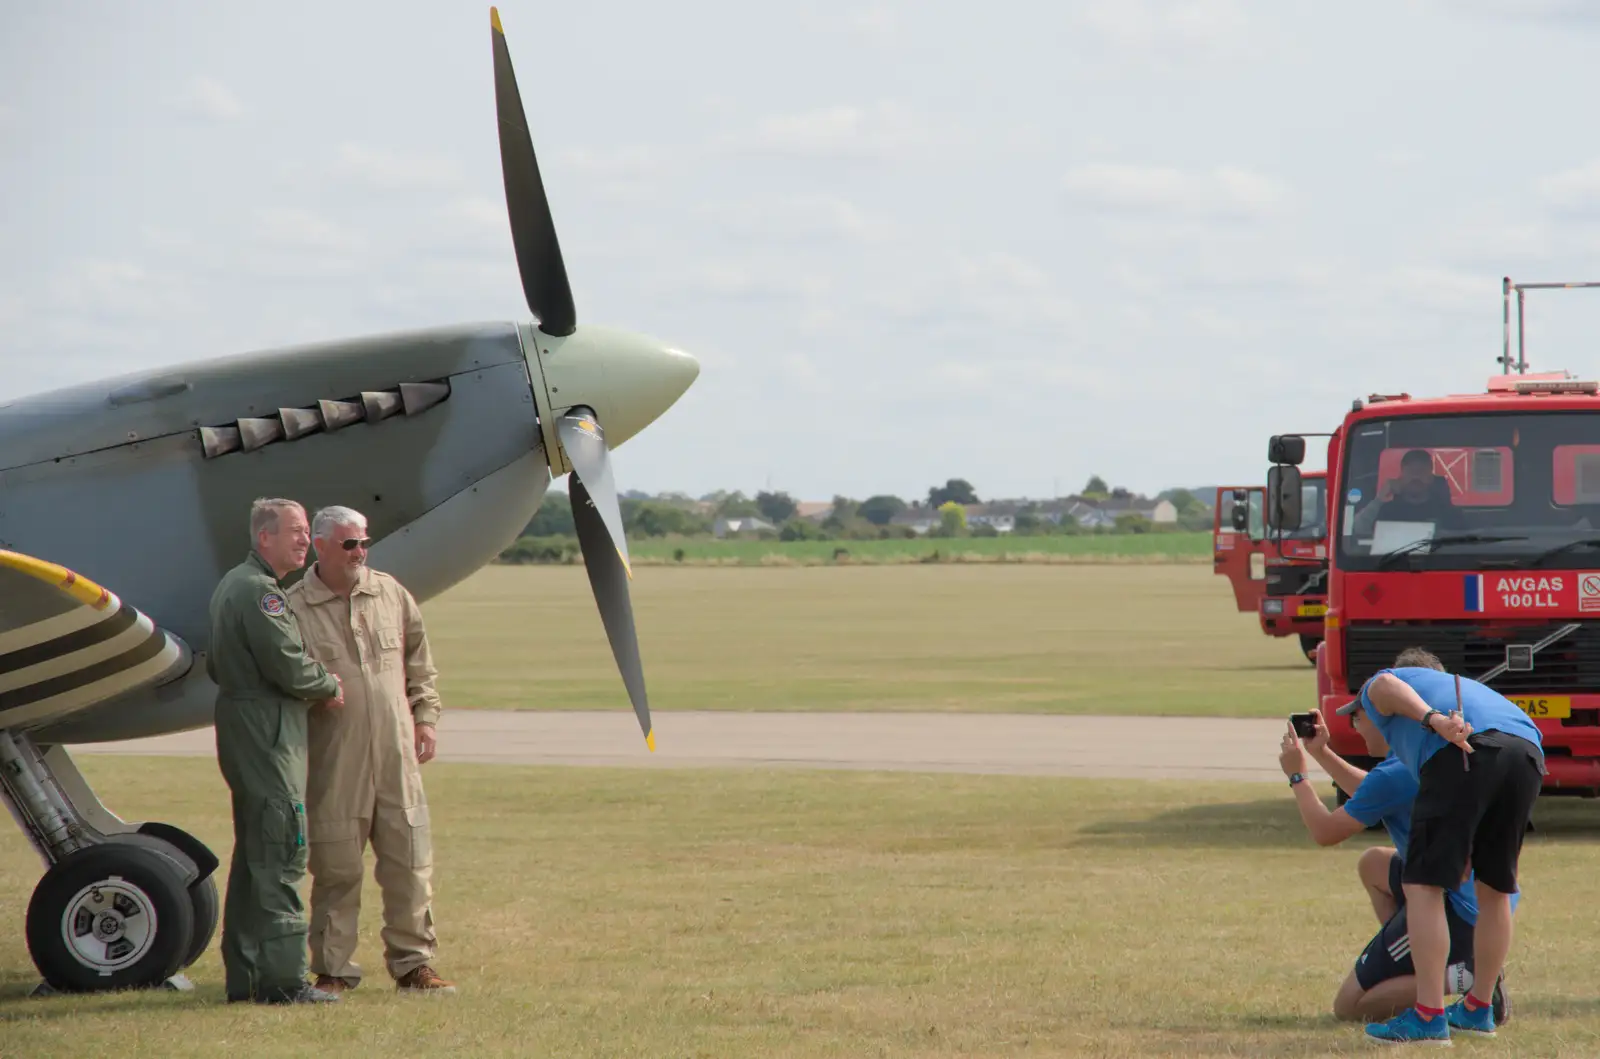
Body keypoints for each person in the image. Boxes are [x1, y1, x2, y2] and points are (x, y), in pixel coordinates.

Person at [285, 505, 456, 996]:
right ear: (319, 546)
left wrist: (425, 720)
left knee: (410, 861)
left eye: (364, 542)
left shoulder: (390, 593)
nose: (360, 552)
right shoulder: (294, 607)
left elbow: (420, 665)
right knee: (337, 868)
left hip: (397, 755)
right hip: (335, 758)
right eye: (349, 544)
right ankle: (334, 970)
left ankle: (414, 965)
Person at [1335, 647, 1545, 1043]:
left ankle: (1429, 1017)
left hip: (1466, 748)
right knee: (1494, 887)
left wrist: (1432, 720)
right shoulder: (1455, 689)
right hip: (1527, 748)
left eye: (1357, 718)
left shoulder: (1384, 694)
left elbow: (1383, 685)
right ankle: (1478, 1009)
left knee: (1422, 885)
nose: (1358, 724)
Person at [1278, 710, 1513, 1025]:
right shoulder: (1423, 755)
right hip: (1486, 899)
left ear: (1391, 718)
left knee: (1349, 1006)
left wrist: (1298, 776)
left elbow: (1325, 831)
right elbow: (1373, 790)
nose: (1356, 726)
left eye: (1360, 716)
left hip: (1457, 910)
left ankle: (1467, 977)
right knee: (1374, 864)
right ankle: (1421, 958)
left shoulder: (1396, 772)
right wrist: (1321, 752)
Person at [207, 497, 345, 1005]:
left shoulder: (234, 584)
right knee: (283, 846)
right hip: (267, 731)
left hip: (247, 725)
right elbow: (287, 663)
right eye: (294, 531)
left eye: (307, 530)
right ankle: (284, 981)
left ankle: (245, 977)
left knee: (256, 854)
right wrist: (327, 684)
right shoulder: (261, 593)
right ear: (264, 538)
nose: (304, 539)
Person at [1351, 448, 1466, 537]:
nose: (1416, 476)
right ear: (1401, 475)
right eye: (1410, 470)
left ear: (1431, 477)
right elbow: (1357, 530)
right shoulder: (1387, 510)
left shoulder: (1448, 513)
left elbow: (1462, 543)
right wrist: (1379, 500)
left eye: (1422, 470)